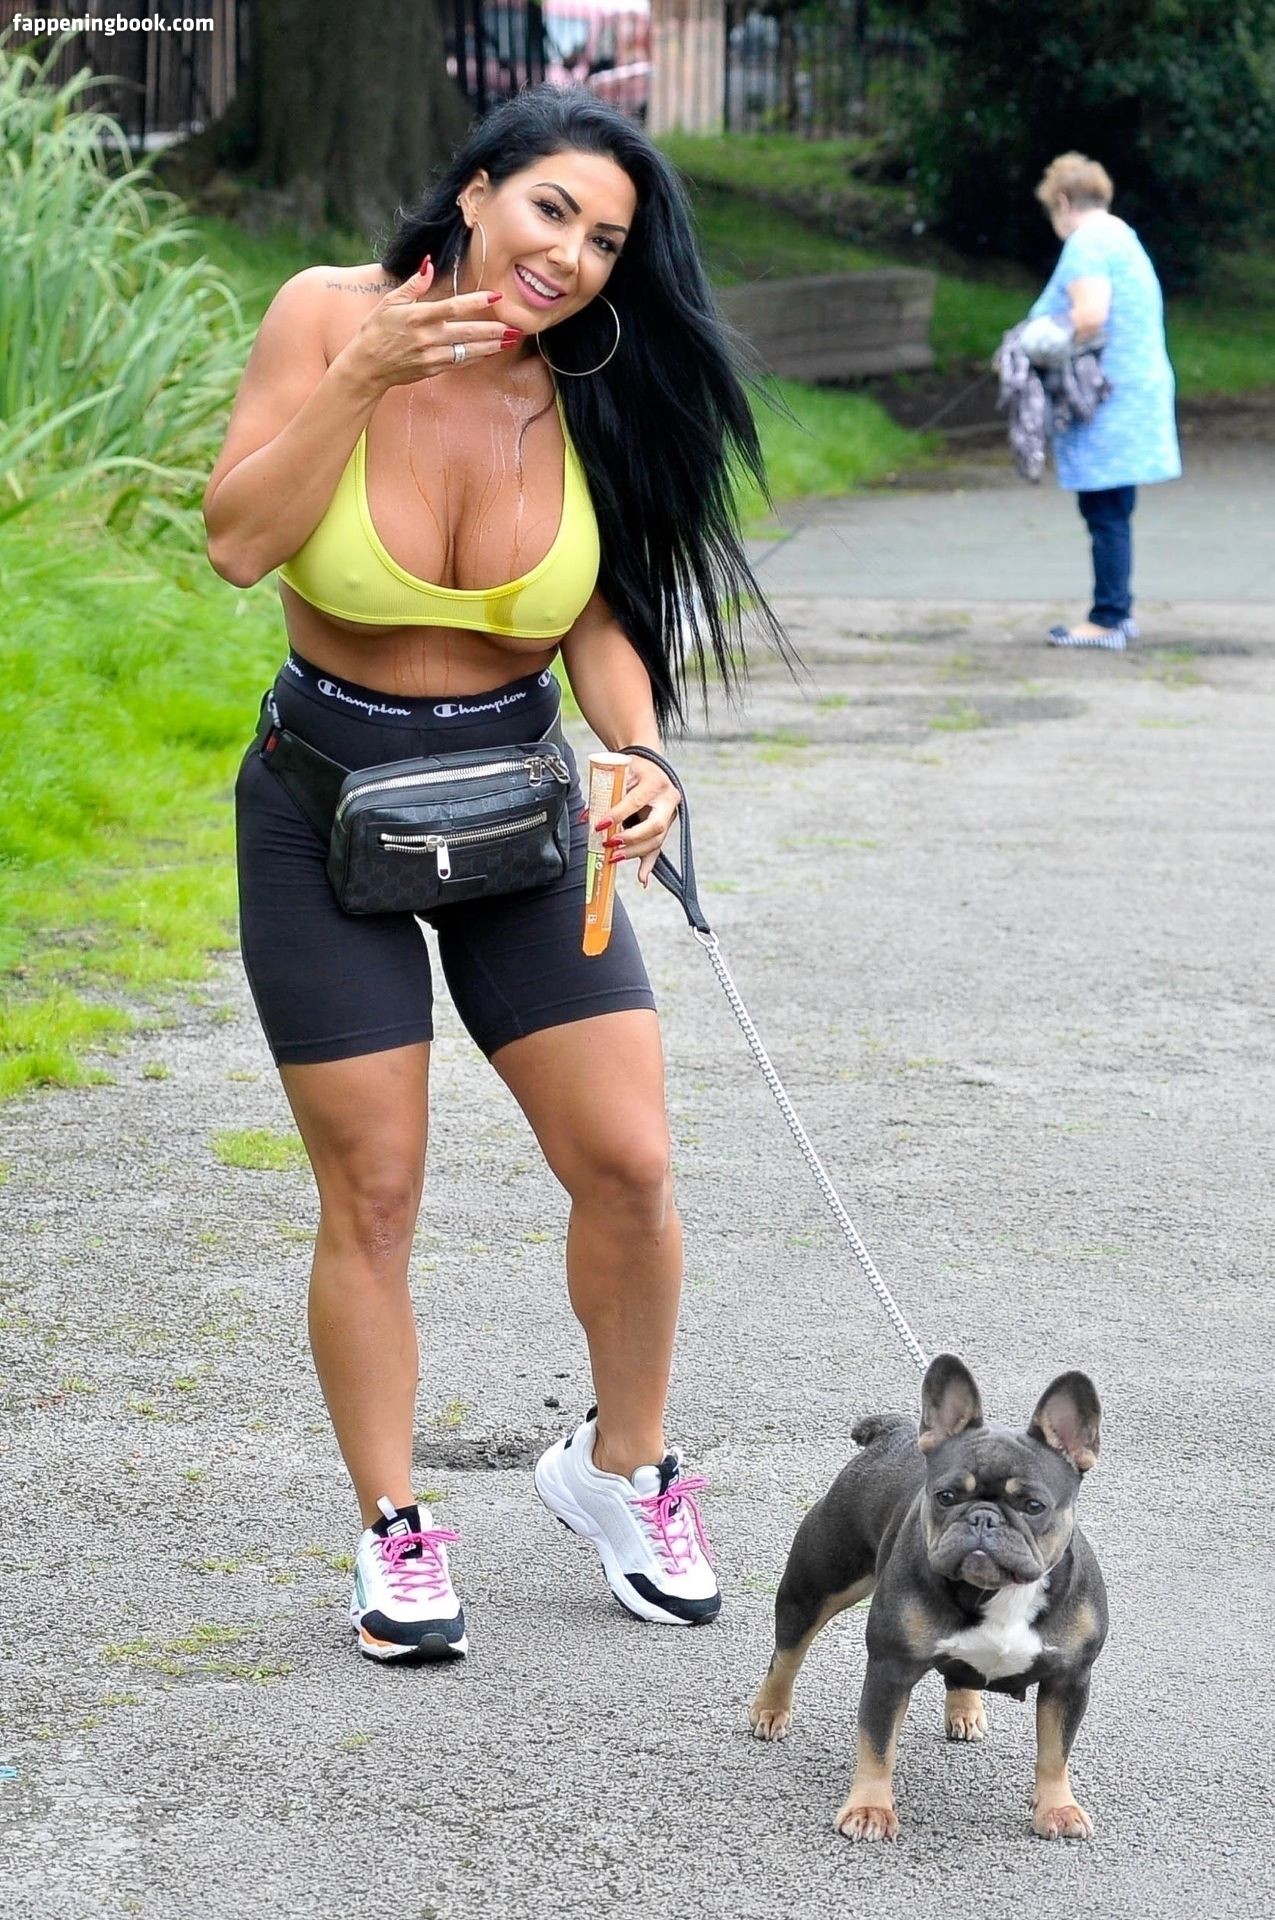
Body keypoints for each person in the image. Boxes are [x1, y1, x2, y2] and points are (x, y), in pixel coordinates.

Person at [202, 86, 786, 1664]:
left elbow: (598, 615)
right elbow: (238, 543)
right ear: (474, 194)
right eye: (550, 211)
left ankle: (621, 1470)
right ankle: (394, 1530)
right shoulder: (325, 315)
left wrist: (641, 755)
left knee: (631, 1166)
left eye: (604, 241)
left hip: (520, 821)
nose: (570, 257)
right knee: (375, 1190)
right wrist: (363, 378)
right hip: (323, 808)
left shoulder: (591, 379)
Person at [1028, 152, 1181, 651]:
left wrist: (1032, 341)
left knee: (1104, 510)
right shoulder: (1121, 235)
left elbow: (1090, 315)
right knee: (1114, 506)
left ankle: (1107, 619)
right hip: (1133, 390)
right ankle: (1118, 611)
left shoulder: (1088, 242)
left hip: (1107, 398)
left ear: (1063, 201)